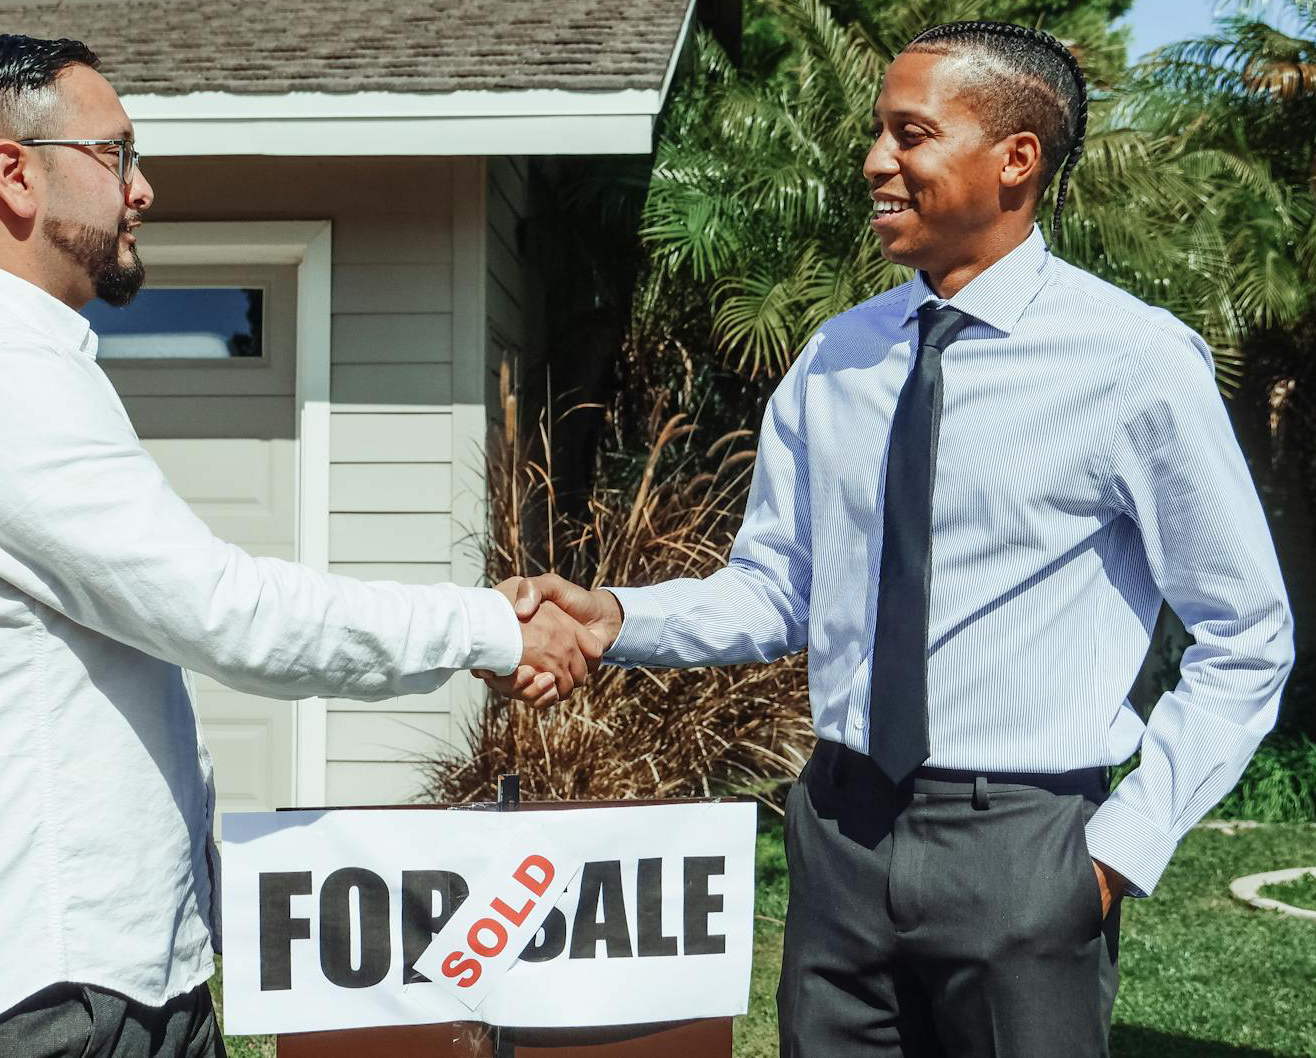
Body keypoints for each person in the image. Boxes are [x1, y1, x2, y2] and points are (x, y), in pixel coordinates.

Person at [492, 20, 1295, 1057]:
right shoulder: (838, 356)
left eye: (909, 133)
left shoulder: (1134, 362)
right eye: (877, 132)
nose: (876, 161)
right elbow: (775, 589)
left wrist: (1114, 853)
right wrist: (617, 617)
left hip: (1025, 846)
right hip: (838, 833)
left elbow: (1247, 633)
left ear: (1016, 160)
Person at [0, 35, 599, 1058]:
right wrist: (487, 626)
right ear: (14, 174)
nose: (142, 188)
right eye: (116, 155)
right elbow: (222, 610)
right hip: (50, 997)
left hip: (85, 978)